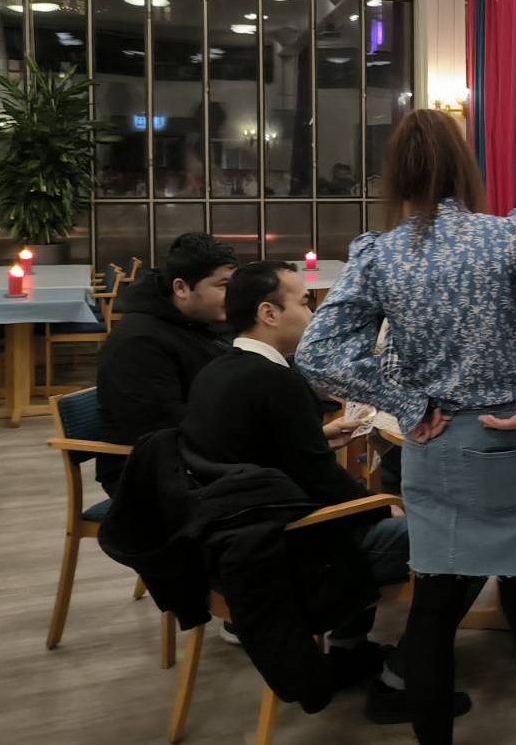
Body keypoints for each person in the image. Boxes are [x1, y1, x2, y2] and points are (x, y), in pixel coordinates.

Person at [295, 109, 516, 745]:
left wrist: (402, 403)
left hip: (433, 444)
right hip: (510, 442)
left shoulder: (378, 254)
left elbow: (317, 352)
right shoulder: (510, 235)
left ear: (397, 175)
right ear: (464, 166)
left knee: (433, 610)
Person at [180, 260, 449, 724]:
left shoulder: (217, 370)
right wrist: (385, 511)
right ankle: (401, 681)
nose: (313, 313)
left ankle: (348, 650)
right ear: (268, 313)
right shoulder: (276, 380)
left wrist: (314, 438)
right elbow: (324, 485)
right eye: (305, 303)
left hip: (231, 541)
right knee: (453, 540)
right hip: (293, 547)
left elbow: (247, 451)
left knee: (381, 510)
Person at [96, 232, 236, 495]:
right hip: (151, 475)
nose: (234, 296)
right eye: (223, 286)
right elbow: (159, 429)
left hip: (201, 455)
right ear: (181, 288)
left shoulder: (202, 323)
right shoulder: (139, 344)